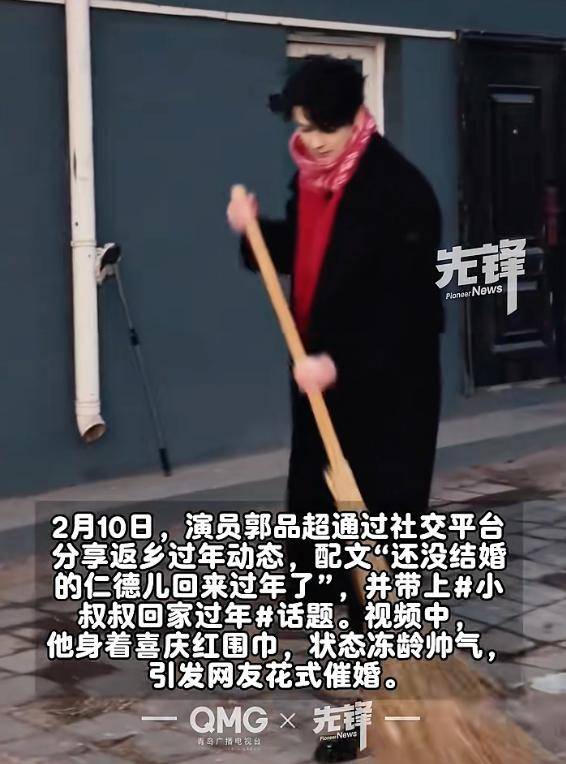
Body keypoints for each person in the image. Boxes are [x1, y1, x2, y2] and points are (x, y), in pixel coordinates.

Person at [227, 55, 444, 762]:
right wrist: (255, 233)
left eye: (324, 127)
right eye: (302, 126)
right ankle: (343, 703)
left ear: (354, 117)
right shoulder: (312, 178)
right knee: (322, 556)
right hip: (321, 402)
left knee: (376, 555)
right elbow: (308, 252)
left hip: (386, 405)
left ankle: (386, 702)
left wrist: (339, 363)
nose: (312, 140)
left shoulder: (401, 193)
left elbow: (412, 315)